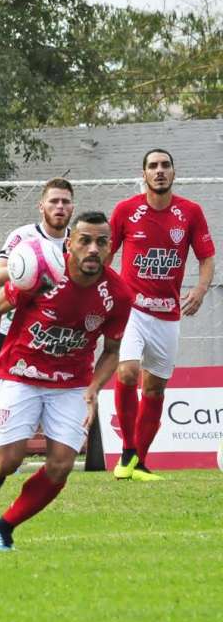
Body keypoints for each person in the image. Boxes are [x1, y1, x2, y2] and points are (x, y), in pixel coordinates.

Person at [0, 211, 133, 550]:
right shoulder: (41, 274)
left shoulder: (119, 295)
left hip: (71, 384)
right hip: (21, 374)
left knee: (61, 464)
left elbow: (112, 351)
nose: (93, 249)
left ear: (111, 248)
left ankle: (3, 528)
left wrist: (94, 388)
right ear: (70, 244)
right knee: (7, 461)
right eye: (85, 240)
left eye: (101, 242)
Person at [109, 149, 215, 481]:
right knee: (128, 372)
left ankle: (138, 463)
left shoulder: (190, 212)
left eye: (165, 165)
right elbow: (105, 255)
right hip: (132, 309)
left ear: (173, 172)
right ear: (143, 174)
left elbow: (207, 257)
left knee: (154, 389)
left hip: (168, 315)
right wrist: (105, 293)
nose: (159, 171)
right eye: (153, 166)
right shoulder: (126, 210)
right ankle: (127, 450)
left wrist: (200, 289)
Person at [0, 178, 74, 425]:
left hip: (53, 333)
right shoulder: (23, 236)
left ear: (72, 207)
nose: (59, 206)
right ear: (41, 206)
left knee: (51, 396)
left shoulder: (78, 242)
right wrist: (30, 266)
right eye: (53, 201)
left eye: (65, 202)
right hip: (11, 329)